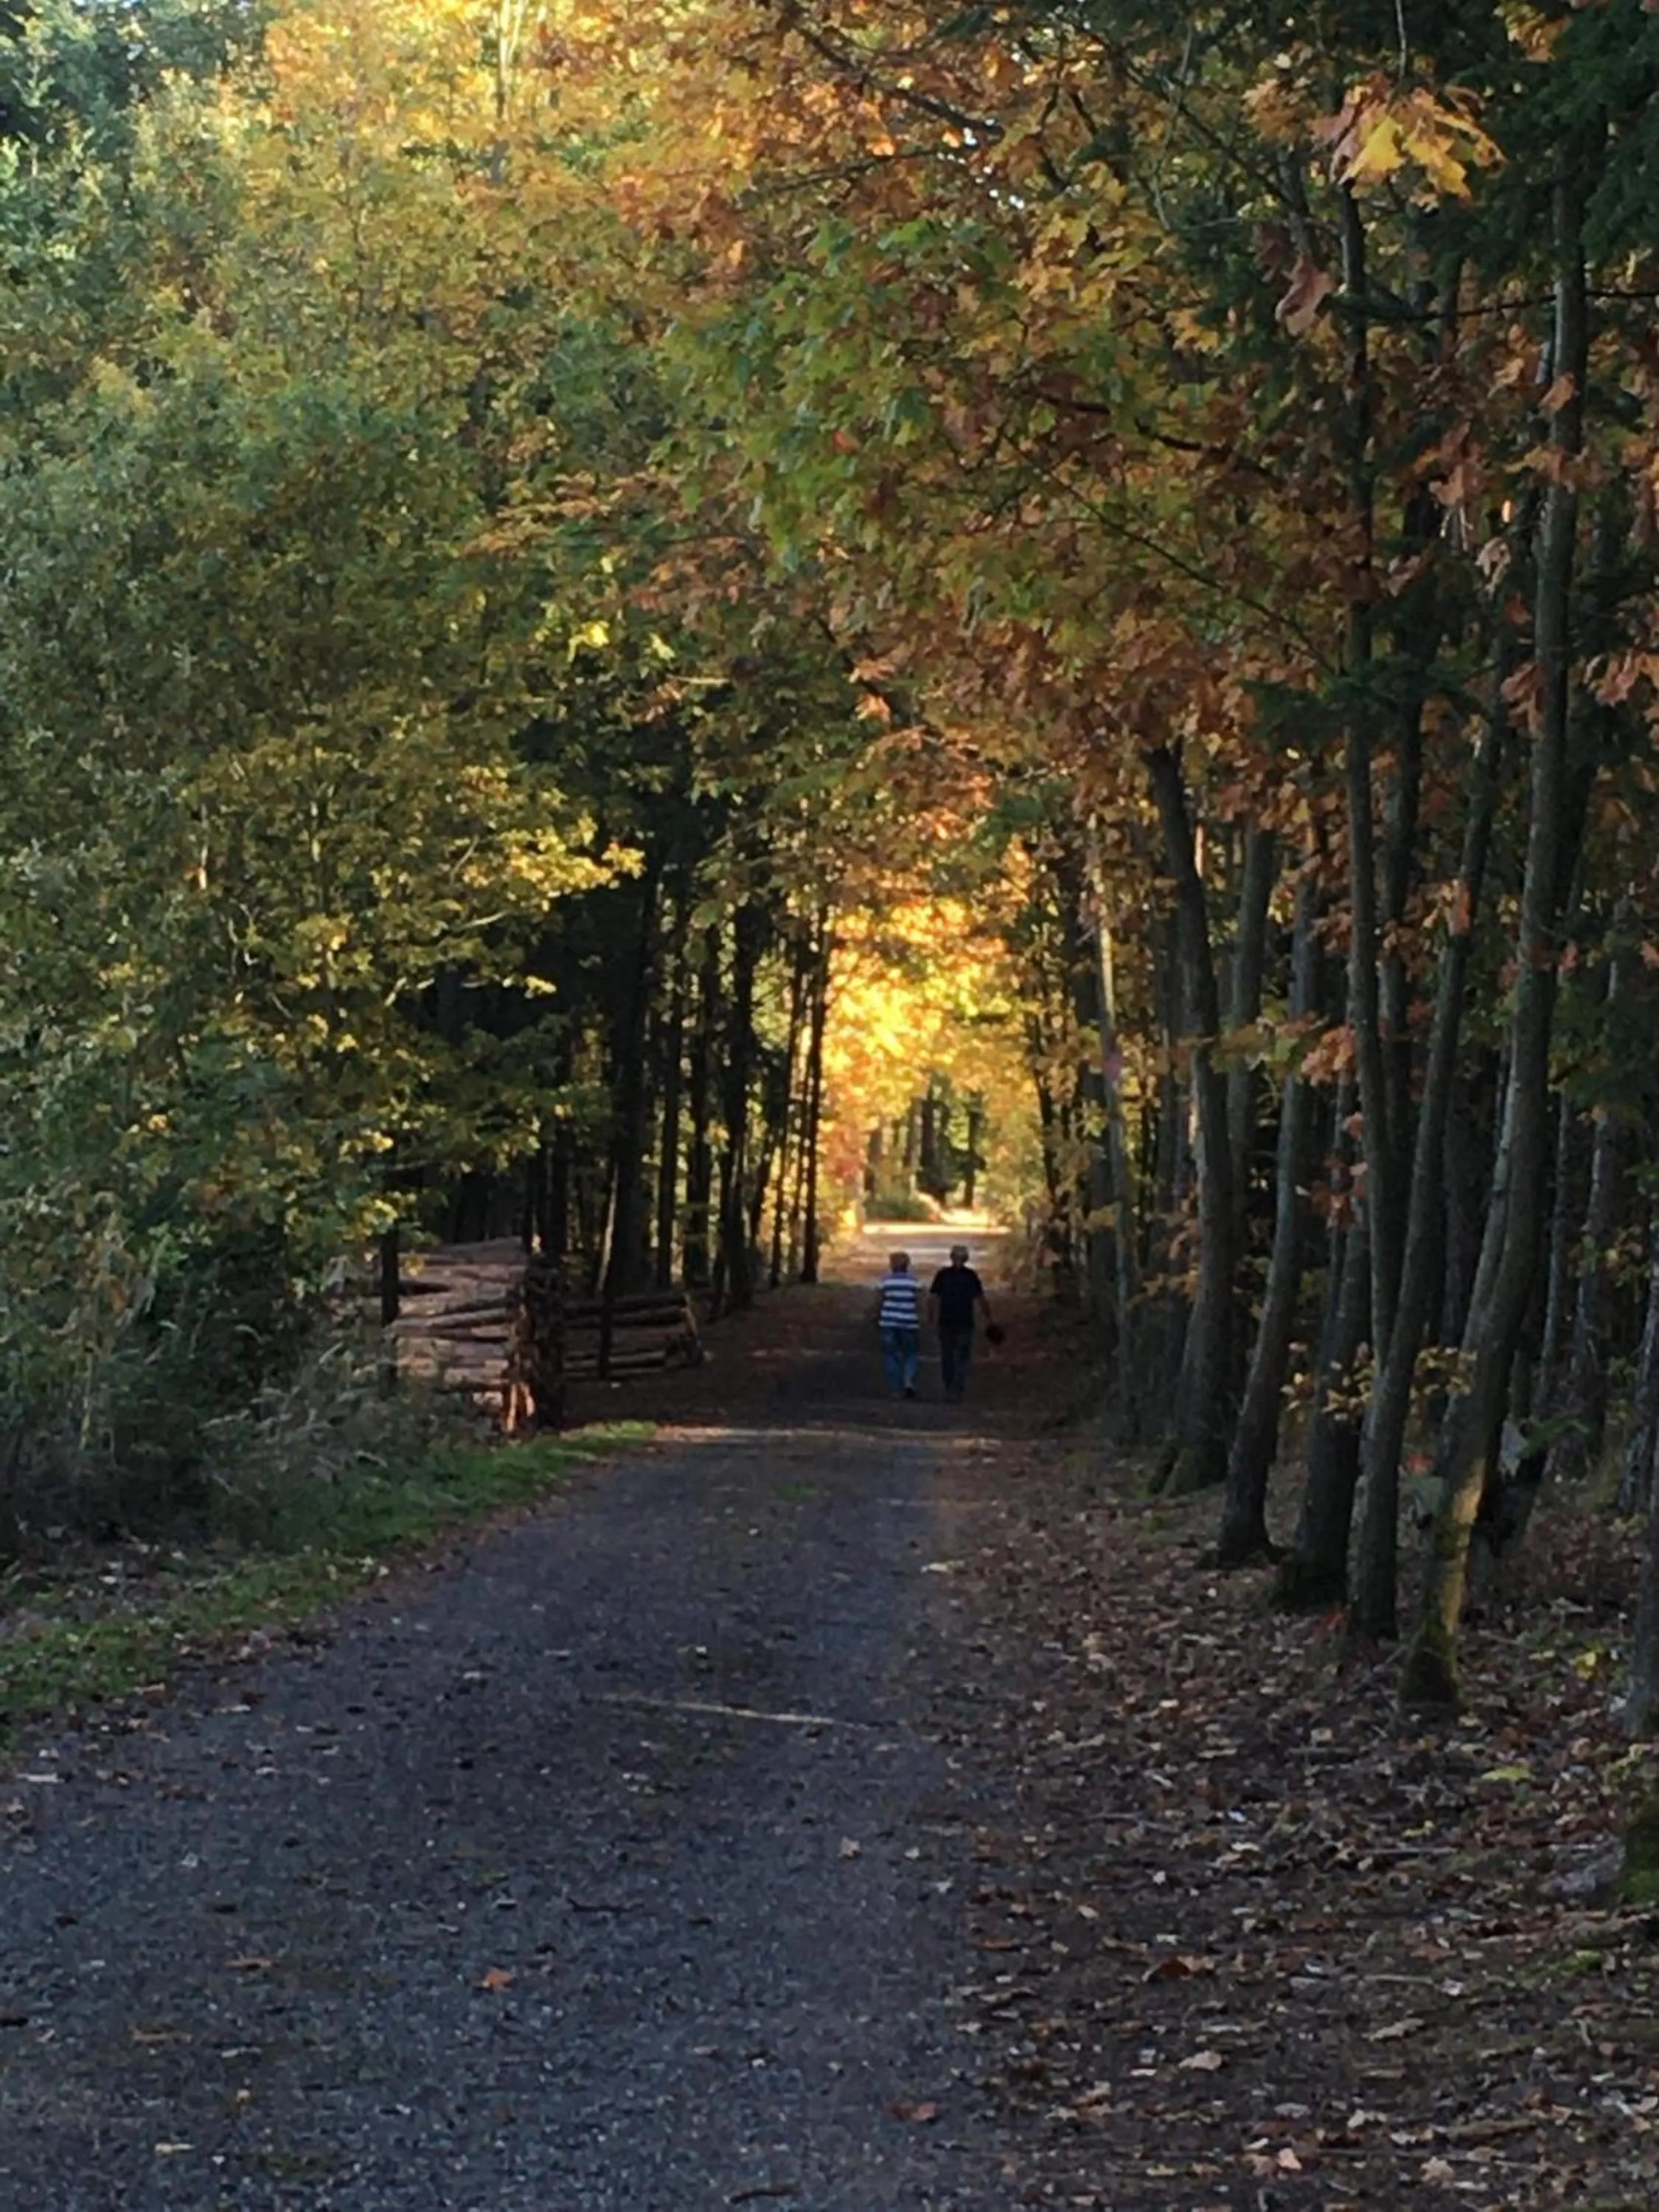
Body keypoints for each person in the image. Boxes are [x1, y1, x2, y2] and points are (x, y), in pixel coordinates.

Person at [929, 1242, 992, 1403]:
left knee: (948, 1356)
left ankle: (949, 1386)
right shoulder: (971, 1276)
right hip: (964, 1321)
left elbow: (934, 1298)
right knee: (962, 1357)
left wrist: (932, 1318)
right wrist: (988, 1318)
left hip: (947, 1320)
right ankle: (957, 1387)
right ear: (966, 1259)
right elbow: (980, 1298)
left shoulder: (943, 1275)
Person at [874, 1250, 923, 1398]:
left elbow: (879, 1301)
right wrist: (922, 1317)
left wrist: (876, 1317)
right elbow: (919, 1302)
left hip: (888, 1322)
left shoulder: (886, 1281)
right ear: (907, 1265)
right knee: (911, 1354)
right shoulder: (914, 1282)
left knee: (891, 1355)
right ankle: (908, 1381)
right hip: (909, 1322)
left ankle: (895, 1389)